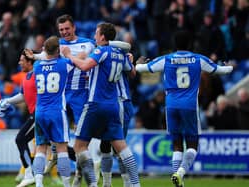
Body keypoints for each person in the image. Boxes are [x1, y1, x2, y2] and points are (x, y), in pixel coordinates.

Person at [135, 30, 233, 187]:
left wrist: (139, 63)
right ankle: (180, 173)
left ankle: (177, 181)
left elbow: (141, 69)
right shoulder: (198, 59)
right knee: (193, 145)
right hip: (189, 106)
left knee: (177, 144)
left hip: (171, 105)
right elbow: (220, 70)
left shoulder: (166, 59)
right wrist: (229, 67)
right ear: (190, 44)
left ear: (174, 44)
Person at [61, 22, 141, 187]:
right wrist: (130, 59)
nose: (94, 36)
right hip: (114, 106)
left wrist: (69, 55)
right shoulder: (119, 53)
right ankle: (135, 183)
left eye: (96, 34)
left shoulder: (101, 50)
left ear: (103, 37)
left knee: (79, 146)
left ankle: (92, 183)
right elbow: (132, 73)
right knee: (121, 147)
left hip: (96, 104)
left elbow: (84, 66)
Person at [32, 36, 74, 187]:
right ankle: (67, 184)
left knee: (40, 148)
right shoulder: (64, 63)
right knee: (62, 148)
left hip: (40, 111)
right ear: (58, 50)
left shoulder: (36, 65)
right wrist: (67, 53)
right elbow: (77, 60)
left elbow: (43, 58)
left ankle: (38, 184)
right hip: (56, 111)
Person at [0, 49, 37, 187]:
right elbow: (23, 96)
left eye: (22, 60)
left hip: (40, 114)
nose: (19, 62)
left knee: (20, 139)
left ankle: (29, 174)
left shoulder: (38, 75)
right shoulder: (26, 77)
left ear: (30, 61)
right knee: (57, 147)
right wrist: (7, 101)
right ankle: (84, 162)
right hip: (36, 114)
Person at [99, 53, 136, 187]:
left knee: (119, 146)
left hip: (121, 102)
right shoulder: (103, 56)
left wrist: (132, 63)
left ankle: (128, 183)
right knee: (105, 145)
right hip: (107, 104)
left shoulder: (119, 56)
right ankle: (107, 183)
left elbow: (133, 73)